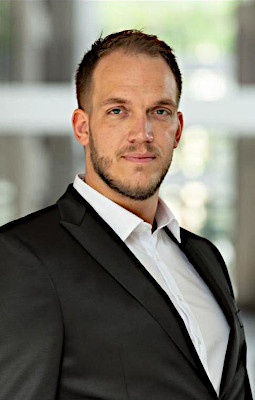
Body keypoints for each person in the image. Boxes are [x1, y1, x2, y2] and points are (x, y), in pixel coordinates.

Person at [0, 30, 252, 400]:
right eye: (118, 111)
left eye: (159, 111)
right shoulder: (25, 257)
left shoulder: (206, 258)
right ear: (82, 127)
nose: (143, 133)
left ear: (177, 129)